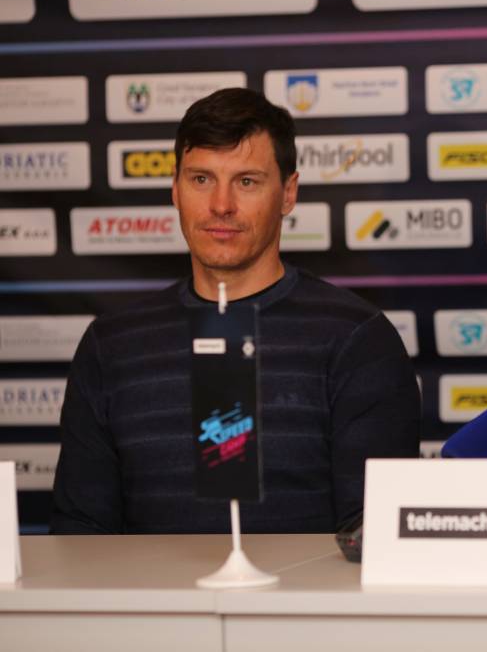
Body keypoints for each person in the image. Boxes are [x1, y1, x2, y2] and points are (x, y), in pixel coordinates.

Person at [51, 88, 421, 534]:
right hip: (148, 585)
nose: (221, 205)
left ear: (288, 193)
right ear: (175, 189)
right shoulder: (111, 344)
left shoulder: (358, 339)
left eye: (246, 181)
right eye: (201, 179)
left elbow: (375, 536)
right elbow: (80, 535)